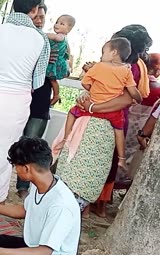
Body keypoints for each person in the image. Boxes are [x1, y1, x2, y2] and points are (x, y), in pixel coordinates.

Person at [0, 0, 49, 204]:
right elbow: (37, 81)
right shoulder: (40, 39)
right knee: (8, 147)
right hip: (20, 100)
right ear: (34, 9)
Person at [0, 137, 80, 255]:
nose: (15, 170)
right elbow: (25, 210)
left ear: (26, 168)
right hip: (32, 246)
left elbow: (43, 254)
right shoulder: (41, 183)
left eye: (16, 166)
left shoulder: (61, 204)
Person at [92, 25, 152, 217]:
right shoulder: (134, 66)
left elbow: (126, 99)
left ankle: (96, 202)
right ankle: (100, 202)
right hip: (117, 118)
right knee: (108, 160)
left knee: (104, 159)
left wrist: (94, 108)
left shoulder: (129, 68)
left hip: (110, 117)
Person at [57, 38, 142, 171]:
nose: (101, 56)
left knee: (72, 113)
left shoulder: (99, 66)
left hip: (92, 107)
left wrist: (93, 88)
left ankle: (66, 138)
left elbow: (85, 83)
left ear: (113, 52)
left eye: (103, 52)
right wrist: (139, 98)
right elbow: (132, 91)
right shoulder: (127, 70)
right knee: (119, 131)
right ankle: (121, 159)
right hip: (113, 111)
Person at [16, 3, 52, 199]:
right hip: (18, 97)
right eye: (35, 17)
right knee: (13, 140)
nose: (38, 21)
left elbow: (63, 69)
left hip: (39, 100)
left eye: (42, 18)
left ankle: (24, 187)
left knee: (31, 142)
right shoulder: (18, 39)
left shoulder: (50, 43)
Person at [46, 15, 75, 105]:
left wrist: (43, 34)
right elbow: (68, 52)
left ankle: (56, 95)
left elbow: (56, 38)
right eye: (57, 22)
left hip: (55, 63)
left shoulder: (61, 36)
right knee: (51, 80)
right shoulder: (65, 39)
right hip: (55, 61)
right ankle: (55, 95)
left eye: (62, 24)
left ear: (68, 29)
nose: (57, 25)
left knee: (52, 80)